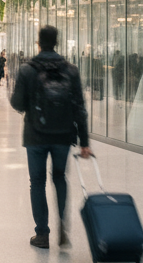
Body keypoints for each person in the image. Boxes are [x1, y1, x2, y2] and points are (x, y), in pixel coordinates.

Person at [10, 25, 90, 250]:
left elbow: (17, 103)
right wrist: (84, 142)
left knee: (37, 182)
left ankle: (42, 234)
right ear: (57, 42)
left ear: (39, 42)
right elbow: (80, 107)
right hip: (63, 134)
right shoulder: (70, 70)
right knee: (59, 178)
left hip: (35, 134)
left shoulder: (28, 70)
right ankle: (63, 227)